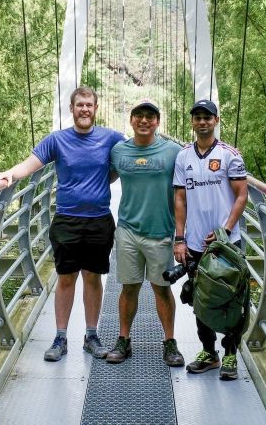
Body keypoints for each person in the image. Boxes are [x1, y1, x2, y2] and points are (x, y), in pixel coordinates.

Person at [0, 86, 124, 362]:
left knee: (93, 277)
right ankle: (60, 338)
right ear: (72, 109)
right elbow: (29, 165)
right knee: (66, 279)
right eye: (80, 105)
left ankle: (91, 336)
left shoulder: (111, 138)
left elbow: (137, 153)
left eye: (89, 105)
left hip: (100, 220)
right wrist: (9, 174)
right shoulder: (57, 140)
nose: (85, 110)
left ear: (96, 109)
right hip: (66, 220)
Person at [173, 99, 248, 381]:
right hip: (194, 242)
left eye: (208, 117)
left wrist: (225, 230)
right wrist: (179, 238)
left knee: (232, 299)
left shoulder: (230, 154)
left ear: (216, 121)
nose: (202, 122)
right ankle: (209, 352)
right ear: (192, 122)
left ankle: (230, 354)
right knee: (200, 298)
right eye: (197, 117)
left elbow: (242, 195)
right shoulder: (183, 157)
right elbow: (179, 199)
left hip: (227, 243)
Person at [105, 100, 185, 367]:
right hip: (127, 229)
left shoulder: (173, 151)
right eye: (138, 116)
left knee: (161, 289)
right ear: (131, 120)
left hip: (161, 231)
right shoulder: (119, 151)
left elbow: (198, 160)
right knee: (129, 287)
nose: (144, 121)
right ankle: (123, 340)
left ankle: (170, 342)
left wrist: (229, 152)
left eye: (150, 117)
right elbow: (100, 173)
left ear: (157, 122)